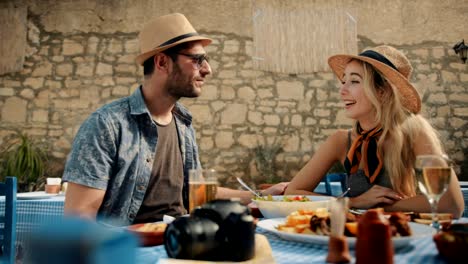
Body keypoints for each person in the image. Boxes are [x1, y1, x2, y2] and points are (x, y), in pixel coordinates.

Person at [62, 13, 288, 225]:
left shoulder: (183, 123)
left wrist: (262, 195)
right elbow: (79, 218)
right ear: (162, 63)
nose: (208, 69)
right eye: (198, 60)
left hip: (184, 240)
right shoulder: (107, 125)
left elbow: (198, 194)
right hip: (131, 249)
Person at [285, 45, 464, 217]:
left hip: (404, 237)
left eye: (354, 81)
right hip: (354, 237)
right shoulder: (340, 141)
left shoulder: (415, 131)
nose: (342, 91)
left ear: (382, 92)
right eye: (343, 81)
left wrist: (382, 207)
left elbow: (452, 204)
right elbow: (292, 193)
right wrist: (354, 202)